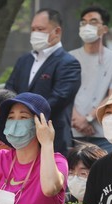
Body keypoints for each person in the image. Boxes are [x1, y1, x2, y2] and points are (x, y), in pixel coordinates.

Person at [5, 8, 81, 155]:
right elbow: (9, 90)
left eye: (40, 29)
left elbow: (59, 98)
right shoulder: (24, 60)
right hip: (19, 138)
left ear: (57, 32)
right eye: (33, 29)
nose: (35, 33)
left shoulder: (68, 63)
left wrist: (26, 115)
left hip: (52, 139)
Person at [69, 5, 112, 153]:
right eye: (83, 22)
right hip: (71, 132)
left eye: (93, 22)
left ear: (104, 29)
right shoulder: (69, 58)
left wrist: (88, 118)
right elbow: (65, 92)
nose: (87, 26)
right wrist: (77, 120)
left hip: (103, 135)